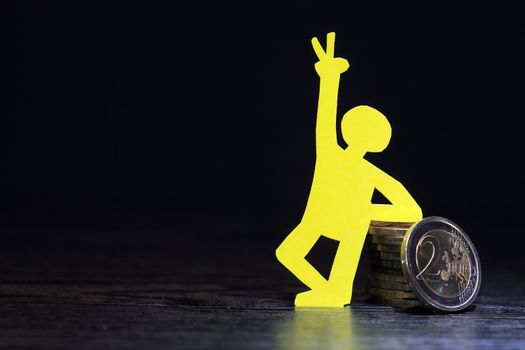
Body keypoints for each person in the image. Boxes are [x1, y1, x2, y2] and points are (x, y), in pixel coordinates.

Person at [275, 32, 422, 307]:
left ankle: (336, 290)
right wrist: (330, 77)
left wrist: (365, 213)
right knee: (288, 253)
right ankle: (332, 290)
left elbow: (325, 119)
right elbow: (410, 206)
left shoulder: (344, 159)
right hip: (319, 220)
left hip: (338, 223)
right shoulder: (344, 159)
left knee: (296, 252)